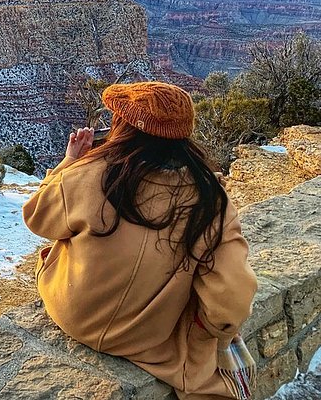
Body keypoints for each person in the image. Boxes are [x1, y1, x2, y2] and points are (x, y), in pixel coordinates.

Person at [23, 81, 258, 400]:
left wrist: (70, 163)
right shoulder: (210, 200)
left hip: (71, 314)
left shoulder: (91, 173)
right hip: (148, 338)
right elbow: (230, 304)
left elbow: (37, 216)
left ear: (124, 128)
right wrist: (203, 330)